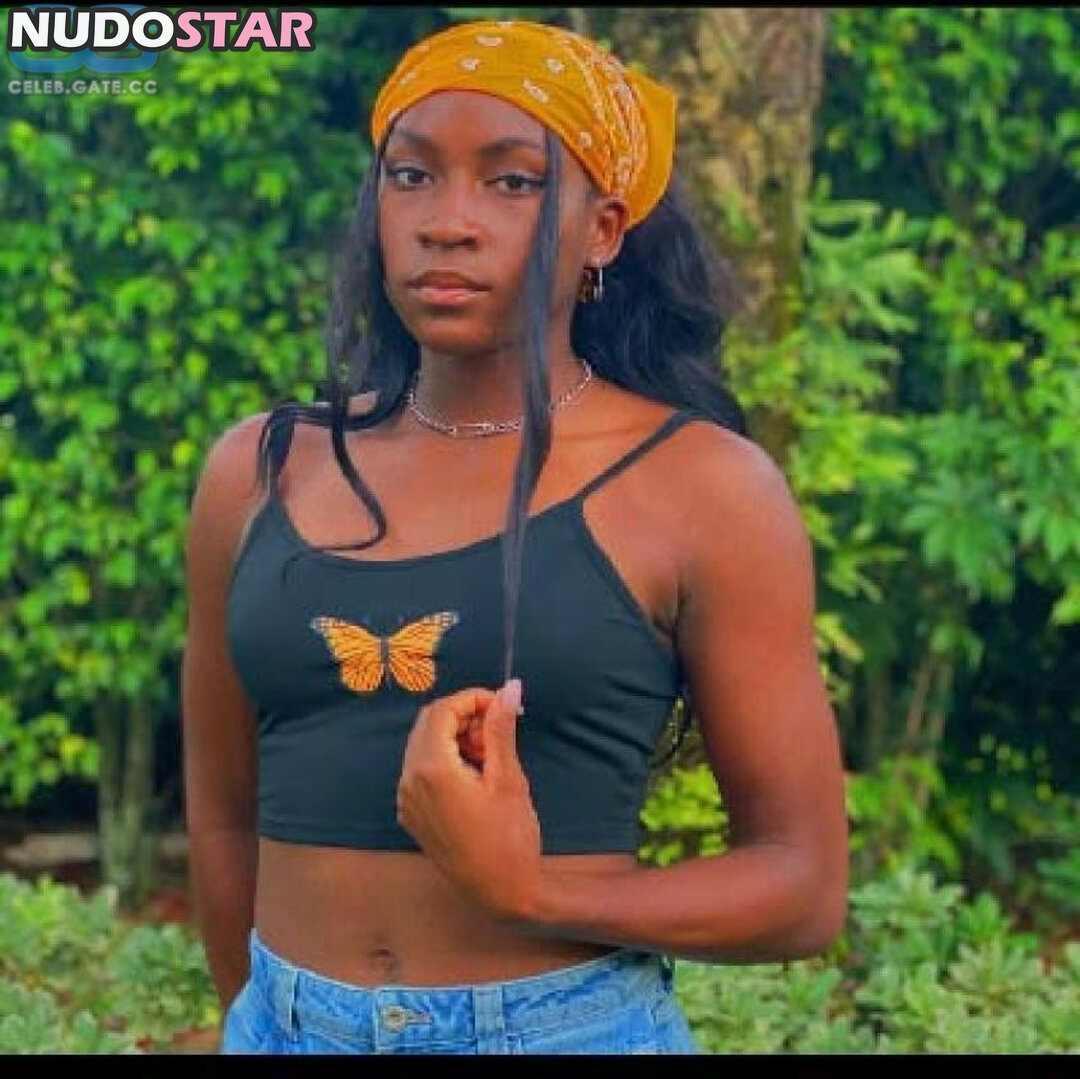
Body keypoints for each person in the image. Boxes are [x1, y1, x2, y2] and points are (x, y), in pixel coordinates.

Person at [181, 17, 849, 1056]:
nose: (447, 223)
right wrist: (254, 1021)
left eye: (512, 182)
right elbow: (224, 815)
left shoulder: (703, 488)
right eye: (411, 175)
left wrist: (529, 890)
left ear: (604, 230)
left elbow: (801, 887)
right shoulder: (261, 469)